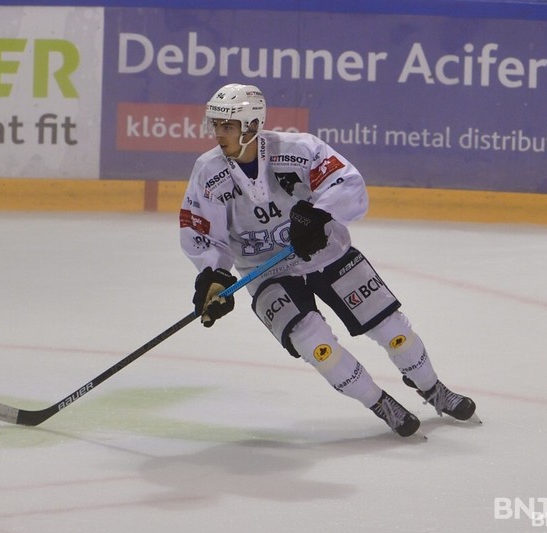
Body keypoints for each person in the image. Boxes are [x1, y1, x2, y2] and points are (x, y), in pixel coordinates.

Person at [179, 83, 477, 437]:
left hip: (326, 253)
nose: (218, 134)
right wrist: (213, 276)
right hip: (267, 273)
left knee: (392, 328)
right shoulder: (207, 172)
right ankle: (380, 403)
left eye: (227, 126)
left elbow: (348, 184)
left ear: (252, 126)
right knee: (314, 344)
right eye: (215, 125)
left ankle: (433, 389)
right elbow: (202, 233)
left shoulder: (298, 149)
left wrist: (319, 215)